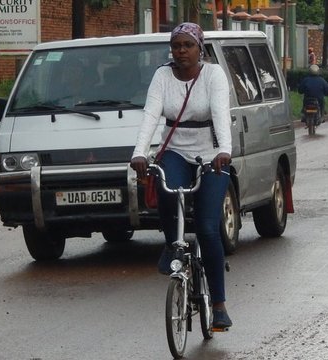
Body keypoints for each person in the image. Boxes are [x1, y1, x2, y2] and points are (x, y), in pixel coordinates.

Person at [130, 22, 233, 329]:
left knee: (207, 229)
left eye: (187, 45)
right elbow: (151, 115)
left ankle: (219, 305)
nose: (181, 51)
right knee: (166, 186)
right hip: (175, 149)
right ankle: (171, 244)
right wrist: (139, 152)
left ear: (199, 49)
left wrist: (224, 149)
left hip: (211, 154)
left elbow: (220, 113)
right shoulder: (162, 75)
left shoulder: (213, 75)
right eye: (176, 46)